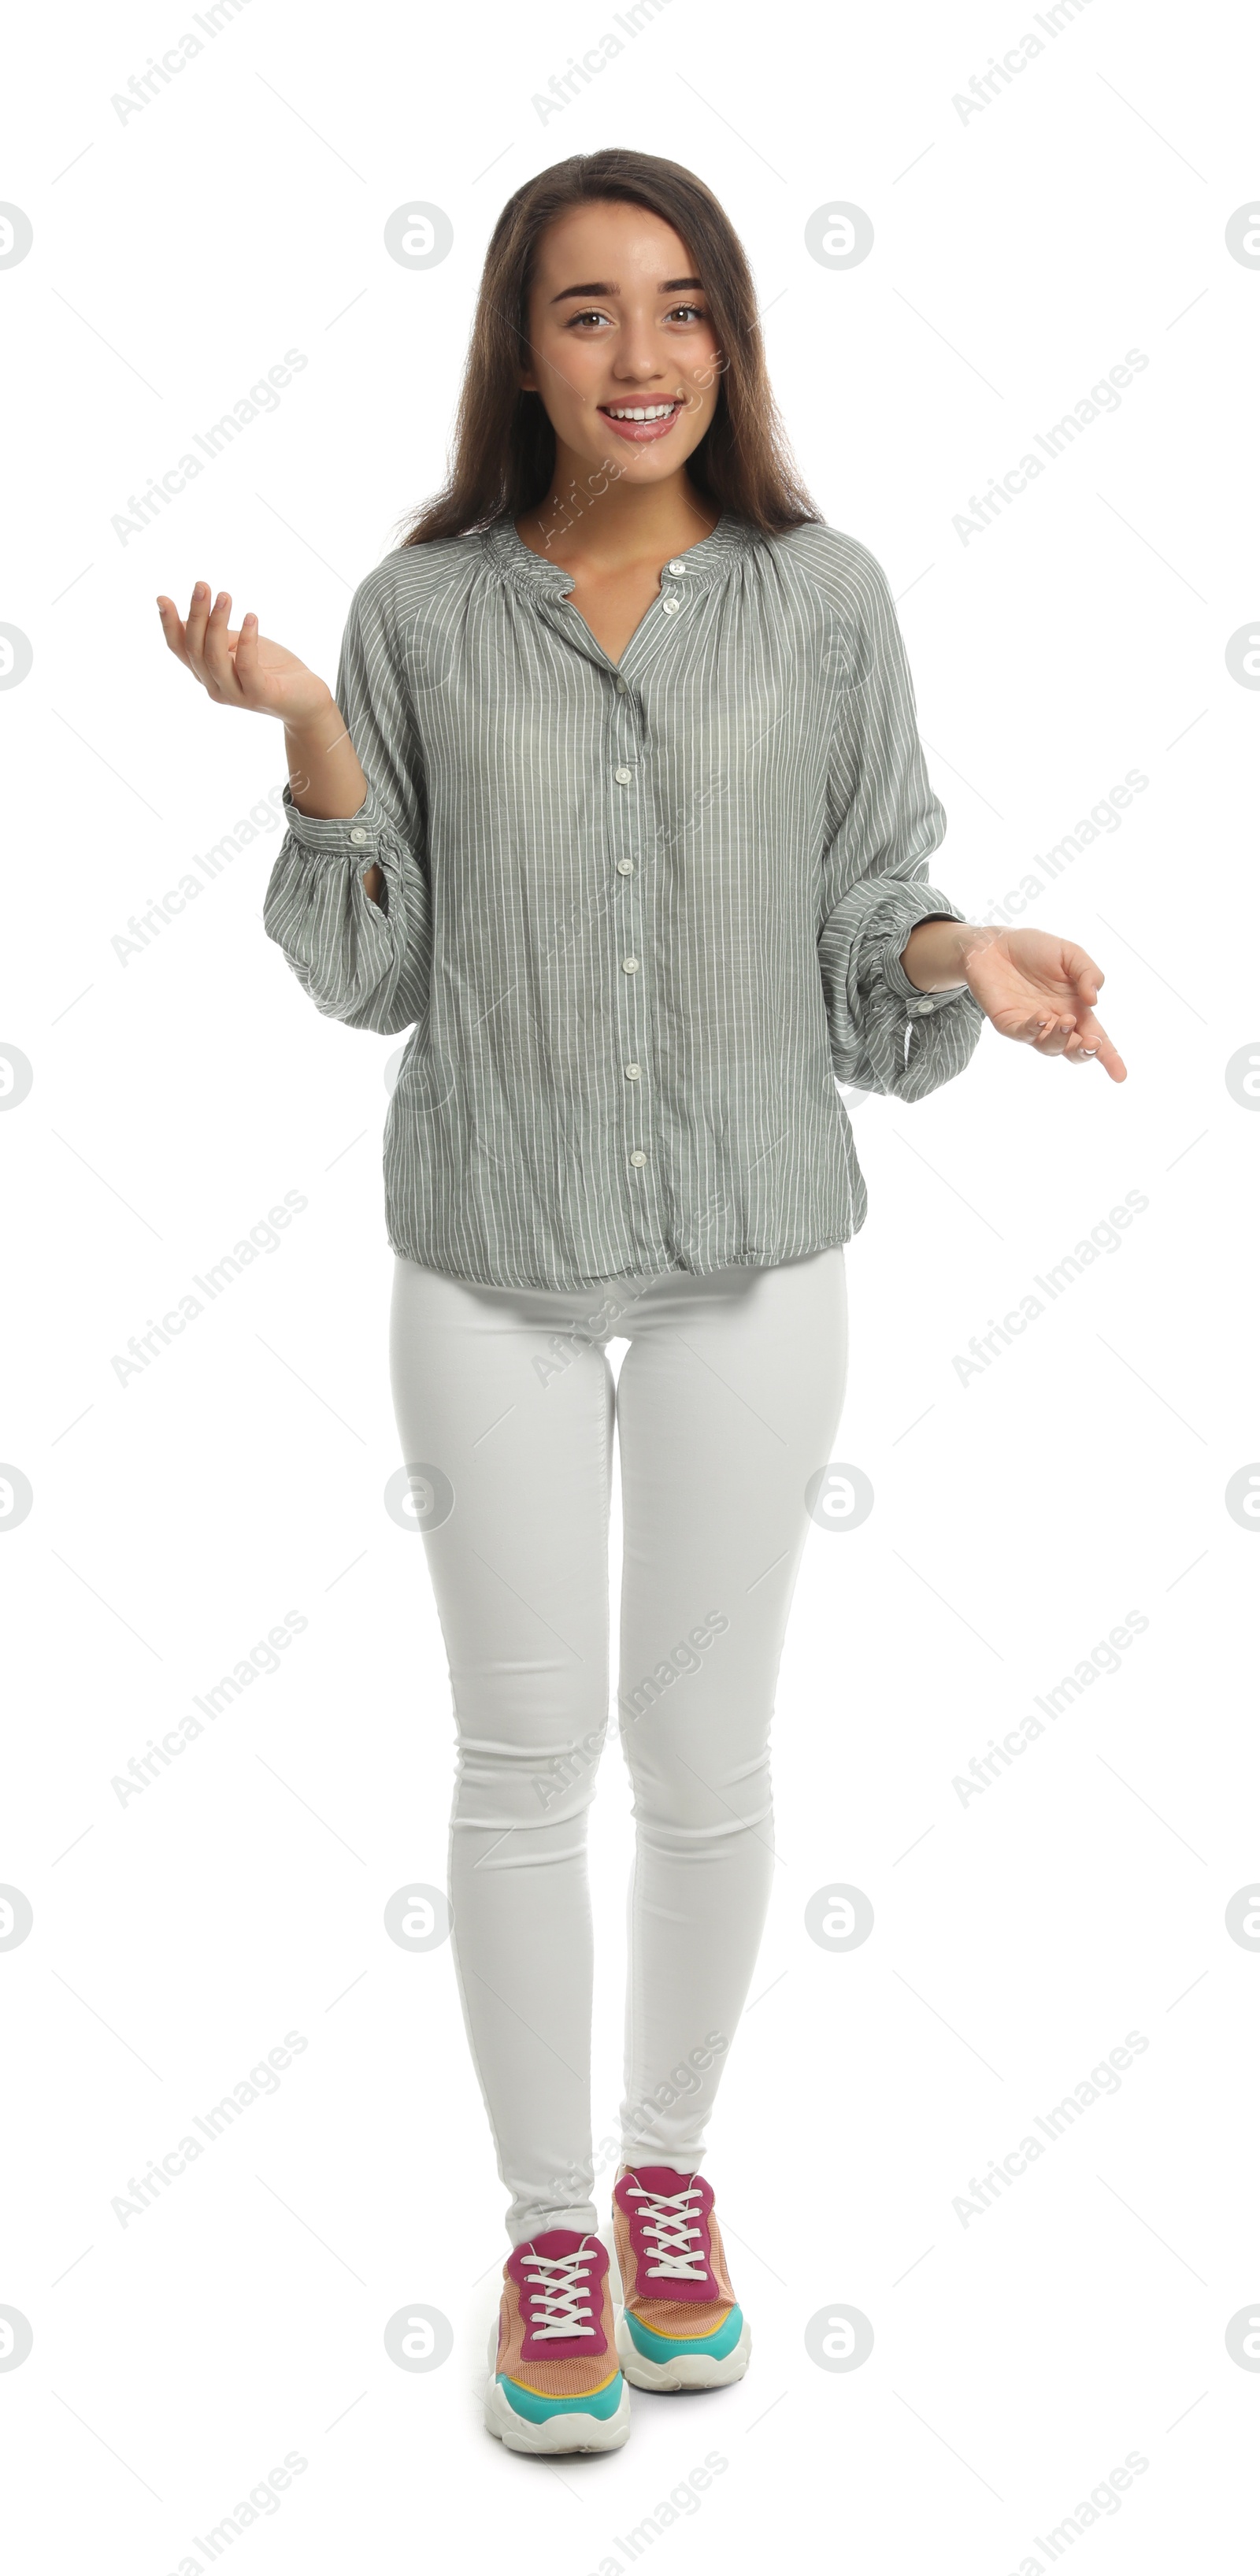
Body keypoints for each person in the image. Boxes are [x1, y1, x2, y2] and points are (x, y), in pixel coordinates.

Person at [157, 146, 1125, 2459]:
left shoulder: (826, 600)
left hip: (750, 1249)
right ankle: (548, 2234)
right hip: (484, 1251)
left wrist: (956, 956)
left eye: (680, 308)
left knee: (702, 1764)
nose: (640, 356)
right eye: (587, 312)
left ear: (733, 342)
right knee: (524, 1758)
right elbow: (371, 967)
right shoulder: (420, 609)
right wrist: (306, 727)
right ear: (520, 345)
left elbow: (866, 907)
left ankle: (670, 2184)